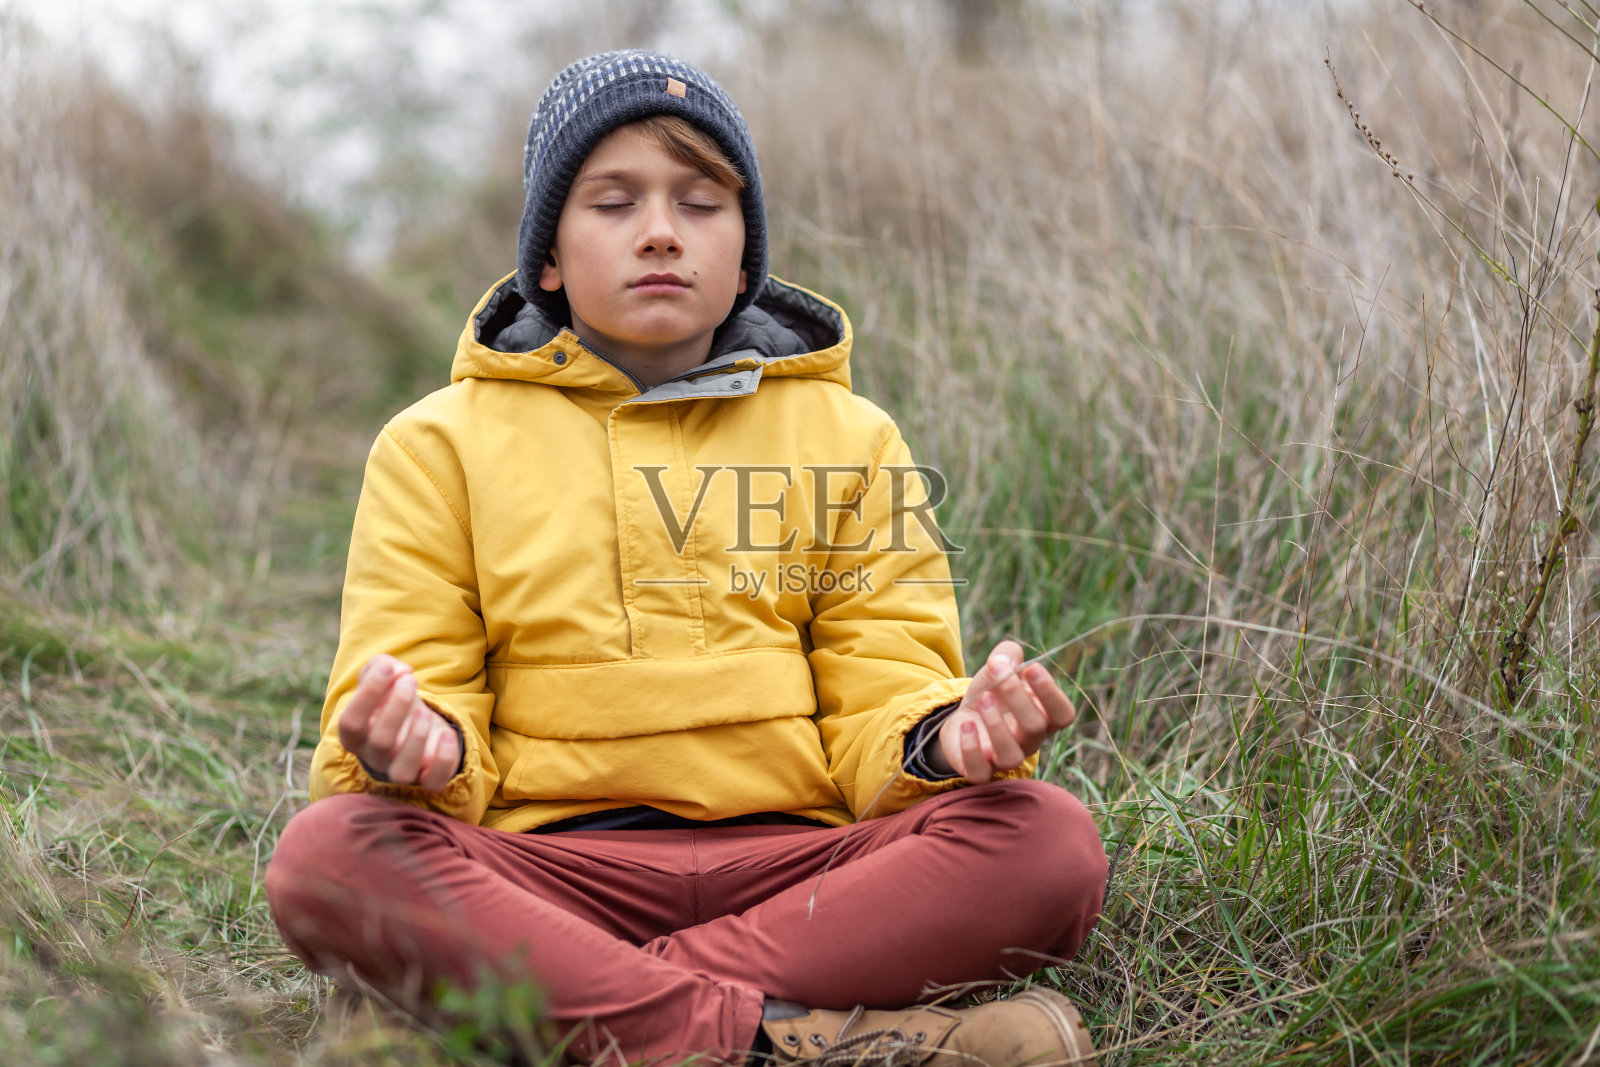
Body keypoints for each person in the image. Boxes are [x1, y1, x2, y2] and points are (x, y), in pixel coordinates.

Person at [265, 48, 1107, 1067]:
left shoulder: (852, 436)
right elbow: (411, 685)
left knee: (1045, 840)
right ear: (547, 256)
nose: (660, 230)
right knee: (330, 856)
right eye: (613, 201)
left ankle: (540, 1009)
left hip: (801, 873)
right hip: (546, 874)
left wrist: (947, 737)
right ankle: (787, 1041)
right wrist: (417, 748)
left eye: (701, 202)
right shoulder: (435, 443)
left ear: (746, 249)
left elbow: (884, 686)